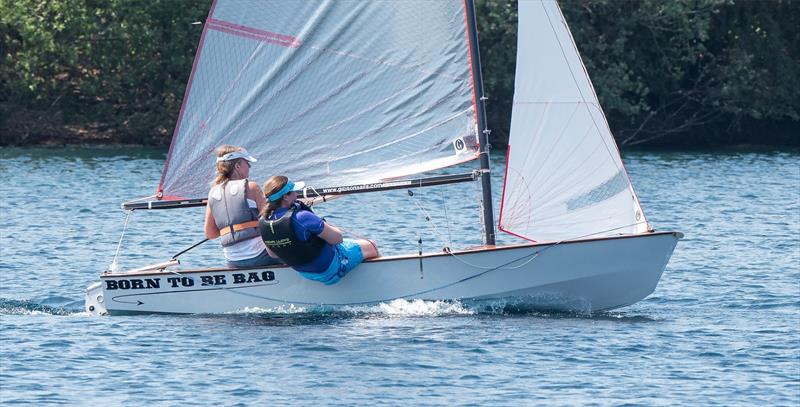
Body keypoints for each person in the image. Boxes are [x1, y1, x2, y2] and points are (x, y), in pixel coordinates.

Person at [259, 175, 379, 285]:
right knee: (371, 245)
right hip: (329, 269)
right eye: (294, 192)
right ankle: (377, 287)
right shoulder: (302, 217)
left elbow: (273, 254)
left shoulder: (263, 221)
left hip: (306, 273)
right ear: (285, 197)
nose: (296, 195)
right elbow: (337, 239)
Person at [203, 145, 280, 268]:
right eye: (247, 163)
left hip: (233, 261)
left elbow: (210, 234)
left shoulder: (213, 192)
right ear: (238, 166)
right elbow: (272, 221)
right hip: (260, 256)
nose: (249, 166)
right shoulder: (251, 187)